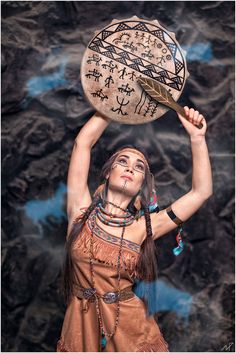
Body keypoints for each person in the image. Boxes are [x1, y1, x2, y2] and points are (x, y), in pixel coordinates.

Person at [56, 107, 213, 352]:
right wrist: (115, 102)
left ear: (142, 184)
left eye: (139, 167)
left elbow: (200, 192)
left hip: (131, 330)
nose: (130, 168)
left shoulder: (144, 227)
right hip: (79, 326)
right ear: (108, 173)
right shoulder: (80, 212)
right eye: (122, 161)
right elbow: (82, 143)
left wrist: (197, 138)